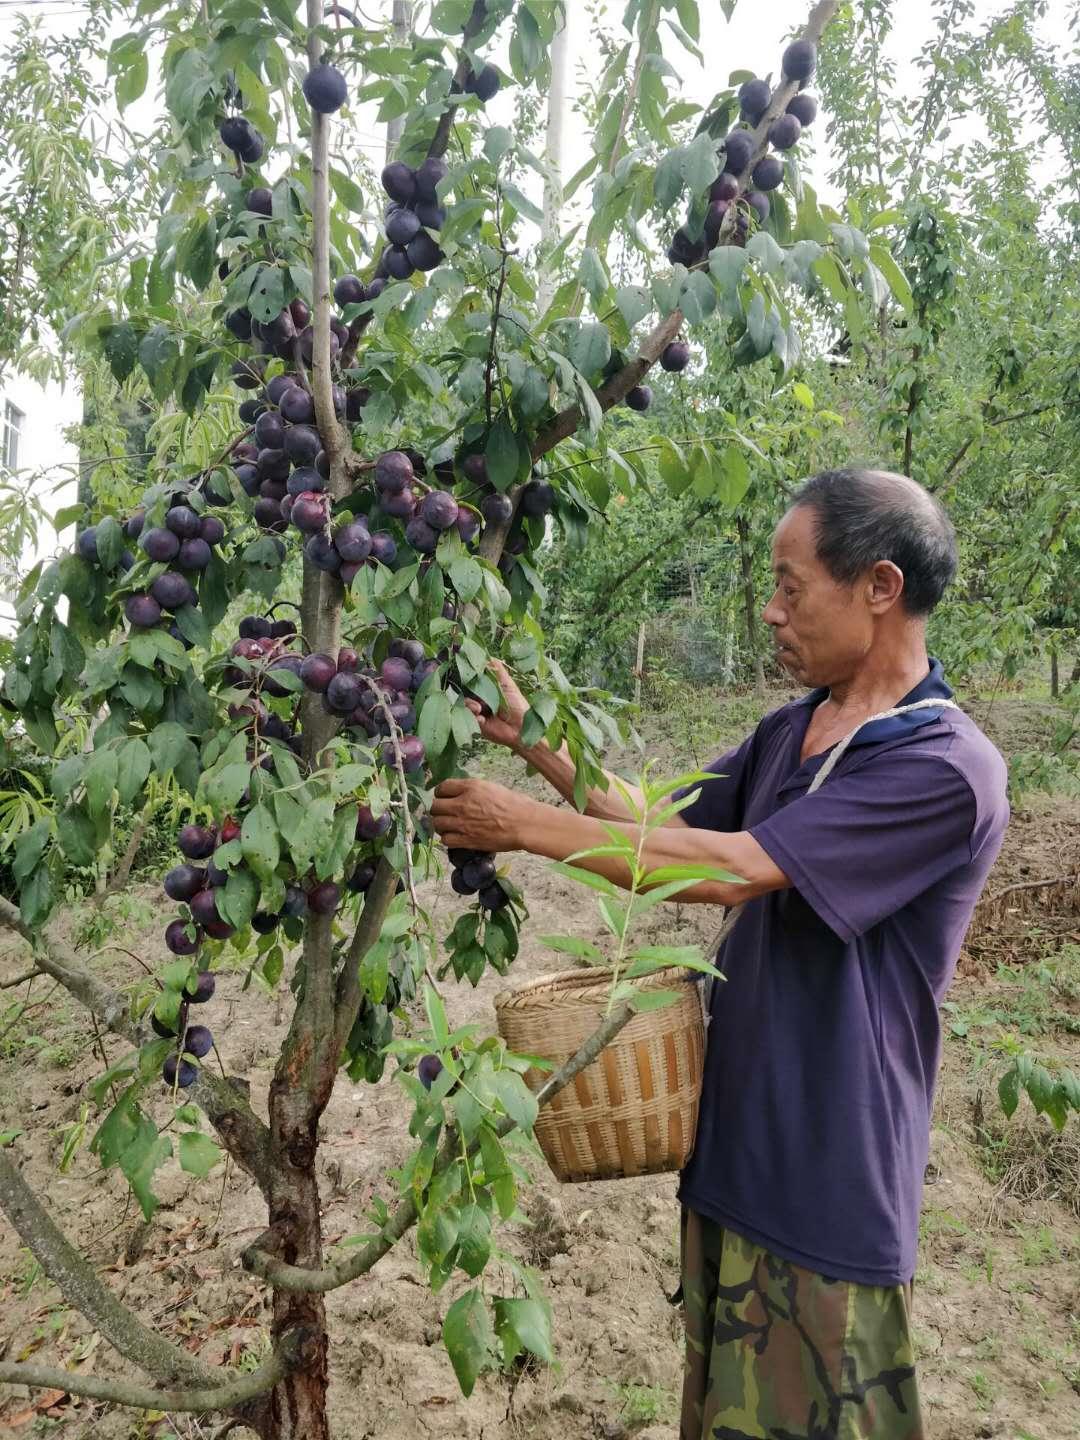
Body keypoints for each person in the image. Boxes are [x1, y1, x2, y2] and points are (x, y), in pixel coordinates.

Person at [431, 468, 1010, 1440]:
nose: (772, 612)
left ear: (879, 587)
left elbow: (731, 869)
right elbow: (659, 822)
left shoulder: (944, 768)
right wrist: (532, 737)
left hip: (824, 1189)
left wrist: (523, 826)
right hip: (733, 1161)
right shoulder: (795, 730)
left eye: (791, 585)